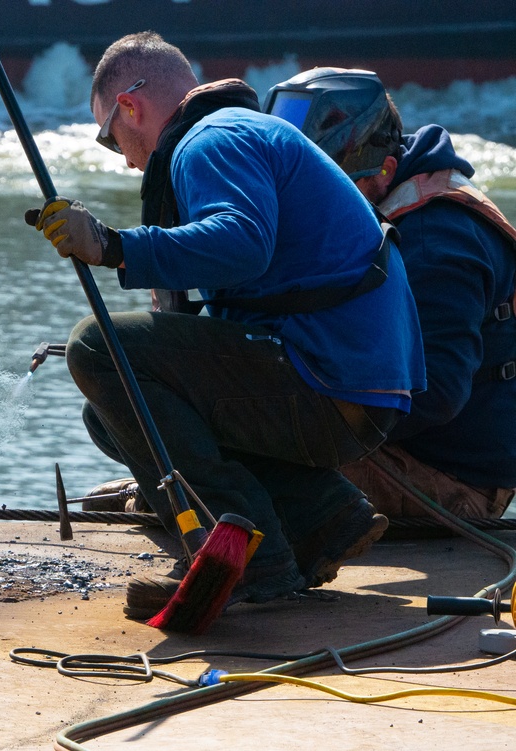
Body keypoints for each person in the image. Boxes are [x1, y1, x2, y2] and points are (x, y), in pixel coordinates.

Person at [27, 32, 425, 620]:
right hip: (354, 384)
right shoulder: (240, 133)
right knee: (114, 413)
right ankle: (322, 518)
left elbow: (242, 245)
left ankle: (241, 551)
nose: (128, 159)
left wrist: (114, 246)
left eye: (112, 140)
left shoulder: (211, 142)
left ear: (129, 108)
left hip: (328, 375)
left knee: (96, 346)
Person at [266, 68, 516, 521]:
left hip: (451, 480)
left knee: (246, 457)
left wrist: (305, 416)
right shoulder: (393, 186)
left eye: (324, 187)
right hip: (408, 452)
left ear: (384, 171)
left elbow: (437, 390)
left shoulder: (433, 239)